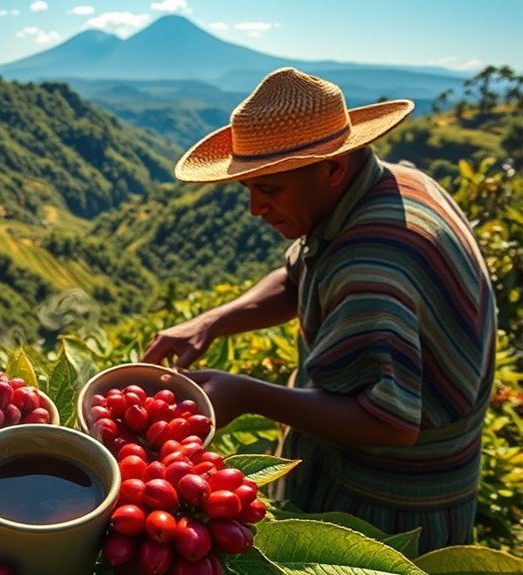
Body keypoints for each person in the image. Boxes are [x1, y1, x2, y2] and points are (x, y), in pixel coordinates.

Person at [142, 67, 496, 552]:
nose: (254, 208)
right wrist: (212, 321)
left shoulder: (371, 266)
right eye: (249, 189)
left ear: (333, 168)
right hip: (418, 483)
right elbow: (297, 276)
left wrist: (246, 395)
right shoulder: (395, 183)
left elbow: (390, 424)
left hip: (383, 509)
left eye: (269, 190)